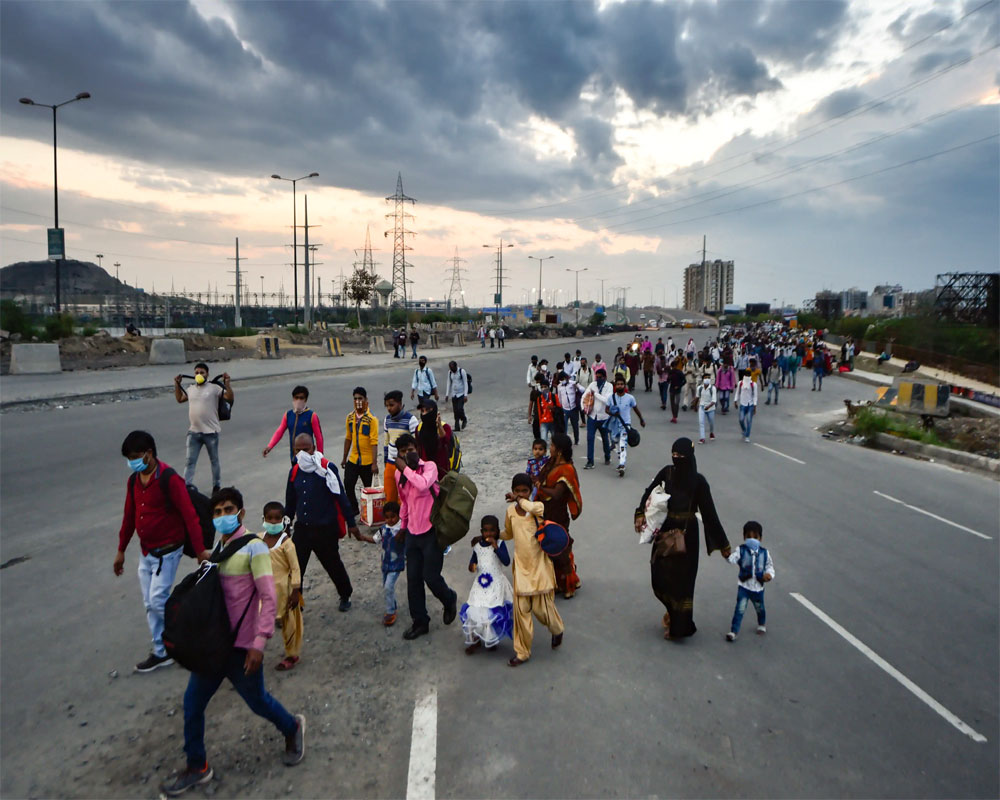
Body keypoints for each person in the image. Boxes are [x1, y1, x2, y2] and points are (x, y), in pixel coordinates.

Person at [160, 488, 304, 796]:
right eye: (217, 512)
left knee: (258, 702)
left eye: (228, 510)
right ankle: (197, 766)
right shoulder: (220, 547)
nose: (222, 516)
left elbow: (267, 597)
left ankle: (292, 727)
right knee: (192, 704)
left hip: (242, 647)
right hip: (214, 644)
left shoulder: (254, 548)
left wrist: (259, 644)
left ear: (240, 512)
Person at [116, 430, 210, 673]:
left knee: (159, 599)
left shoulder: (169, 479)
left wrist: (200, 551)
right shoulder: (134, 481)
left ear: (149, 454)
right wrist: (121, 550)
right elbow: (129, 517)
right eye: (129, 458)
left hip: (168, 551)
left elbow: (190, 516)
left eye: (135, 457)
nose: (132, 463)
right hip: (146, 552)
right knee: (150, 603)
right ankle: (162, 651)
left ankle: (191, 634)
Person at [633, 438, 731, 640]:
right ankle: (672, 613)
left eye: (681, 456)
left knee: (682, 584)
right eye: (674, 454)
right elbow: (649, 491)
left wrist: (723, 544)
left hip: (687, 537)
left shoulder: (698, 482)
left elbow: (710, 515)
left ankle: (679, 628)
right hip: (666, 532)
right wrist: (639, 513)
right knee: (659, 576)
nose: (676, 459)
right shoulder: (667, 473)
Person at [286, 433, 368, 614]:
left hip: (325, 528)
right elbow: (290, 502)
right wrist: (285, 525)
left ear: (313, 448)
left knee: (332, 564)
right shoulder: (294, 472)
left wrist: (351, 524)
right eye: (298, 450)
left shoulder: (326, 469)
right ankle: (295, 602)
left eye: (305, 449)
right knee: (296, 567)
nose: (302, 454)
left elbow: (341, 497)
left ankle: (345, 594)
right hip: (303, 529)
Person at [393, 433, 458, 640]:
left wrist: (406, 469)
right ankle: (420, 622)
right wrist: (402, 527)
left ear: (417, 449)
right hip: (412, 533)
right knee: (413, 580)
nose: (407, 454)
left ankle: (449, 599)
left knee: (431, 577)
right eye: (402, 452)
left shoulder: (429, 467)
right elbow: (404, 501)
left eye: (410, 449)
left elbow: (422, 484)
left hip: (432, 532)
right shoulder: (398, 476)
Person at [502, 474, 565, 667]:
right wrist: (492, 535)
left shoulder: (538, 508)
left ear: (530, 492)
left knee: (542, 610)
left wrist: (520, 500)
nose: (520, 494)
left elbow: (530, 506)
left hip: (539, 567)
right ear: (513, 490)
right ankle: (522, 652)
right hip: (521, 568)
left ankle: (557, 630)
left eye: (524, 491)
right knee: (521, 613)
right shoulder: (511, 512)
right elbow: (509, 533)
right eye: (517, 490)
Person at [535, 433, 582, 598]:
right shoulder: (551, 463)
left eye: (553, 445)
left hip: (558, 514)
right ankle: (557, 582)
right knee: (549, 547)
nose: (550, 448)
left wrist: (540, 487)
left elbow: (556, 493)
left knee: (561, 548)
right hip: (546, 512)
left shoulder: (566, 469)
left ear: (560, 450)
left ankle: (570, 583)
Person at [174, 363, 233, 494]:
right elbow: (179, 399)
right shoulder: (190, 389)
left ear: (207, 374)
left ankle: (216, 486)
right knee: (190, 461)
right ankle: (186, 486)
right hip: (193, 432)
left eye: (202, 372)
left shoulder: (214, 388)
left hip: (210, 432)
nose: (199, 375)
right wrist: (177, 384)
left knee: (214, 461)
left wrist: (227, 383)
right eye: (196, 373)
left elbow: (229, 397)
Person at [461, 515, 513, 654]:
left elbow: (507, 561)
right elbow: (473, 562)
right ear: (481, 531)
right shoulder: (477, 546)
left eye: (492, 531)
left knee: (489, 613)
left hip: (495, 584)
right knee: (474, 610)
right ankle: (475, 640)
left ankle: (490, 638)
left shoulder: (500, 544)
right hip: (480, 584)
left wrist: (496, 547)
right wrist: (472, 566)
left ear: (497, 531)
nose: (489, 534)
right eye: (486, 531)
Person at [260, 502, 303, 672]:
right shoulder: (258, 540)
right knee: (258, 620)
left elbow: (295, 568)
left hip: (284, 590)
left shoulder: (286, 544)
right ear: (263, 519)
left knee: (289, 622)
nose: (272, 522)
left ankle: (292, 654)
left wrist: (295, 591)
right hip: (264, 590)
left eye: (277, 518)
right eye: (269, 518)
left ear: (283, 520)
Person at [725, 520, 775, 641]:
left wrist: (769, 575)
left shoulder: (764, 553)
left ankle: (761, 624)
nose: (752, 540)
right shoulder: (741, 550)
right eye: (749, 537)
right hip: (744, 586)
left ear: (760, 538)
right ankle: (734, 631)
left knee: (760, 608)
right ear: (744, 537)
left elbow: (769, 566)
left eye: (755, 537)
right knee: (740, 609)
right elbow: (732, 559)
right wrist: (727, 555)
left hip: (757, 588)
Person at [341, 386, 379, 519]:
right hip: (353, 458)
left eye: (360, 398)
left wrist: (374, 463)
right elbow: (348, 438)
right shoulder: (350, 417)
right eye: (355, 398)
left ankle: (368, 513)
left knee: (368, 488)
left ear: (366, 400)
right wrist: (344, 458)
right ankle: (354, 509)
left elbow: (374, 442)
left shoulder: (371, 419)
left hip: (367, 461)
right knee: (348, 484)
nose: (358, 401)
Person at [262, 385, 324, 463]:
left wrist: (321, 457)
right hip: (294, 457)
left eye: (301, 398)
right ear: (293, 398)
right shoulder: (288, 415)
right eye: (296, 397)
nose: (298, 400)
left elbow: (319, 437)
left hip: (308, 459)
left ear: (306, 400)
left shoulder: (312, 416)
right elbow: (279, 431)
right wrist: (269, 446)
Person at [382, 391, 419, 505]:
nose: (389, 408)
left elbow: (416, 444)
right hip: (390, 463)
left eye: (391, 405)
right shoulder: (387, 420)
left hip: (405, 465)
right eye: (387, 405)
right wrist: (385, 461)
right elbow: (386, 442)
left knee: (405, 497)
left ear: (400, 403)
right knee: (390, 495)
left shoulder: (411, 420)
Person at [607, 375, 646, 477]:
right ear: (615, 386)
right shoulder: (611, 398)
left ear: (624, 386)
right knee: (616, 440)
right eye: (618, 384)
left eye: (621, 384)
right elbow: (606, 409)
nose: (620, 386)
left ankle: (622, 464)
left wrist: (641, 419)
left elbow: (635, 409)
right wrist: (612, 413)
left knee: (623, 443)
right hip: (615, 425)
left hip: (626, 425)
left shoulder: (630, 398)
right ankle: (621, 460)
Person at [373, 501, 405, 627]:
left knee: (388, 586)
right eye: (387, 517)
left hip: (396, 564)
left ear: (399, 515)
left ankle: (390, 611)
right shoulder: (383, 529)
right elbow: (375, 539)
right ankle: (393, 606)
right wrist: (362, 537)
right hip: (385, 564)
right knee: (387, 587)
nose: (390, 520)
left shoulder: (402, 530)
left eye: (393, 517)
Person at [582, 367, 614, 469]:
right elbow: (584, 396)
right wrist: (583, 408)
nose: (598, 379)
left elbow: (606, 400)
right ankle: (590, 461)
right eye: (597, 377)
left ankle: (607, 456)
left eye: (600, 377)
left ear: (605, 377)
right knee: (590, 438)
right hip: (592, 417)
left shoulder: (609, 386)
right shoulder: (592, 385)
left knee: (605, 438)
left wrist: (595, 394)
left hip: (604, 417)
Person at [415, 399, 456, 477]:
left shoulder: (445, 427)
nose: (424, 414)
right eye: (422, 411)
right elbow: (418, 447)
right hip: (425, 470)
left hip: (441, 469)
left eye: (427, 410)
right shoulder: (419, 428)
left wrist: (439, 426)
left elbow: (445, 441)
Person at [528, 373, 557, 441]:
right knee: (536, 434)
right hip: (537, 417)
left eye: (538, 382)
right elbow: (531, 404)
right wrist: (529, 416)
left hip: (548, 417)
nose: (537, 383)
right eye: (536, 382)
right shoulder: (534, 392)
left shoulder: (548, 392)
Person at [445, 360, 470, 431]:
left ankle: (464, 419)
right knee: (455, 411)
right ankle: (457, 427)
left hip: (461, 394)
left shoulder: (462, 371)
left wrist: (465, 395)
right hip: (454, 394)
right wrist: (447, 394)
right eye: (450, 368)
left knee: (460, 409)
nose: (451, 369)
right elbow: (448, 383)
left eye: (452, 368)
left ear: (456, 366)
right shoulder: (450, 373)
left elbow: (465, 383)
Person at [556, 370, 580, 445]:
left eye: (563, 378)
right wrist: (560, 407)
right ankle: (565, 441)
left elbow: (583, 390)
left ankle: (576, 440)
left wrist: (577, 387)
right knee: (564, 427)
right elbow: (559, 398)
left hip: (573, 408)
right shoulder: (559, 387)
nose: (562, 380)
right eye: (561, 379)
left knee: (575, 426)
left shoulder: (573, 383)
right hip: (565, 409)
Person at [735, 368, 759, 443]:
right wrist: (735, 400)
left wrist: (755, 406)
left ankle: (747, 436)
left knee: (749, 420)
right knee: (741, 419)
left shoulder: (753, 384)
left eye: (748, 375)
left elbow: (755, 395)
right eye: (746, 375)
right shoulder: (740, 383)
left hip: (750, 405)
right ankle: (744, 430)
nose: (747, 376)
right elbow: (737, 392)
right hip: (743, 404)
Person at [696, 376, 717, 444]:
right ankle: (702, 438)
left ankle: (711, 432)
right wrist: (694, 405)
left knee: (711, 422)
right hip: (702, 406)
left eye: (708, 378)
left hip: (711, 408)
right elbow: (697, 397)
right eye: (705, 378)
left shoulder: (712, 388)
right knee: (701, 422)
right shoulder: (699, 388)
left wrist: (708, 407)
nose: (706, 379)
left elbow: (714, 401)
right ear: (703, 380)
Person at [667, 358, 686, 423]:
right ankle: (673, 416)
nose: (674, 367)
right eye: (673, 366)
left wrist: (679, 386)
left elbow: (684, 381)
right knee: (672, 404)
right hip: (671, 389)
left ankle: (675, 416)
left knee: (677, 403)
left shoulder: (680, 372)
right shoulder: (671, 372)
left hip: (678, 390)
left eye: (675, 366)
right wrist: (669, 380)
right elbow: (668, 380)